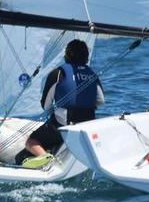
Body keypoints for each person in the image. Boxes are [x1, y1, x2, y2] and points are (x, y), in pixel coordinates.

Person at [17, 39, 104, 169]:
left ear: (67, 55)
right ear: (86, 57)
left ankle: (43, 156)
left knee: (30, 141)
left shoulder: (58, 73)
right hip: (86, 127)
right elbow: (100, 100)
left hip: (63, 127)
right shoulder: (92, 75)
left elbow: (45, 106)